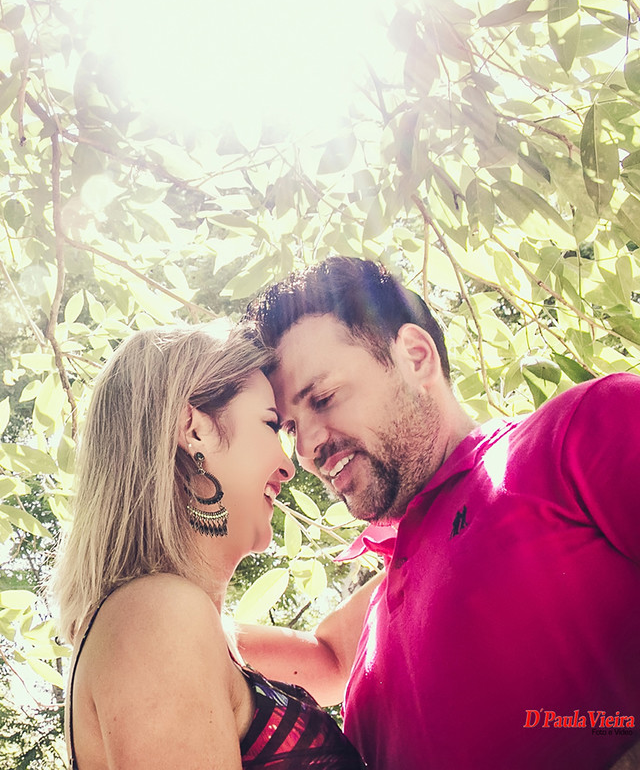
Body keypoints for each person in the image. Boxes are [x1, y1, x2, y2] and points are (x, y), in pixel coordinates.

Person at [237, 256, 640, 770]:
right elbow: (324, 658)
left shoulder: (579, 431)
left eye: (323, 397)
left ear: (416, 357)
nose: (308, 446)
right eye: (290, 429)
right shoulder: (374, 615)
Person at [48, 322, 365, 769]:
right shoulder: (157, 618)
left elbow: (333, 660)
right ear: (193, 430)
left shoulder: (200, 632)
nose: (287, 466)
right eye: (271, 425)